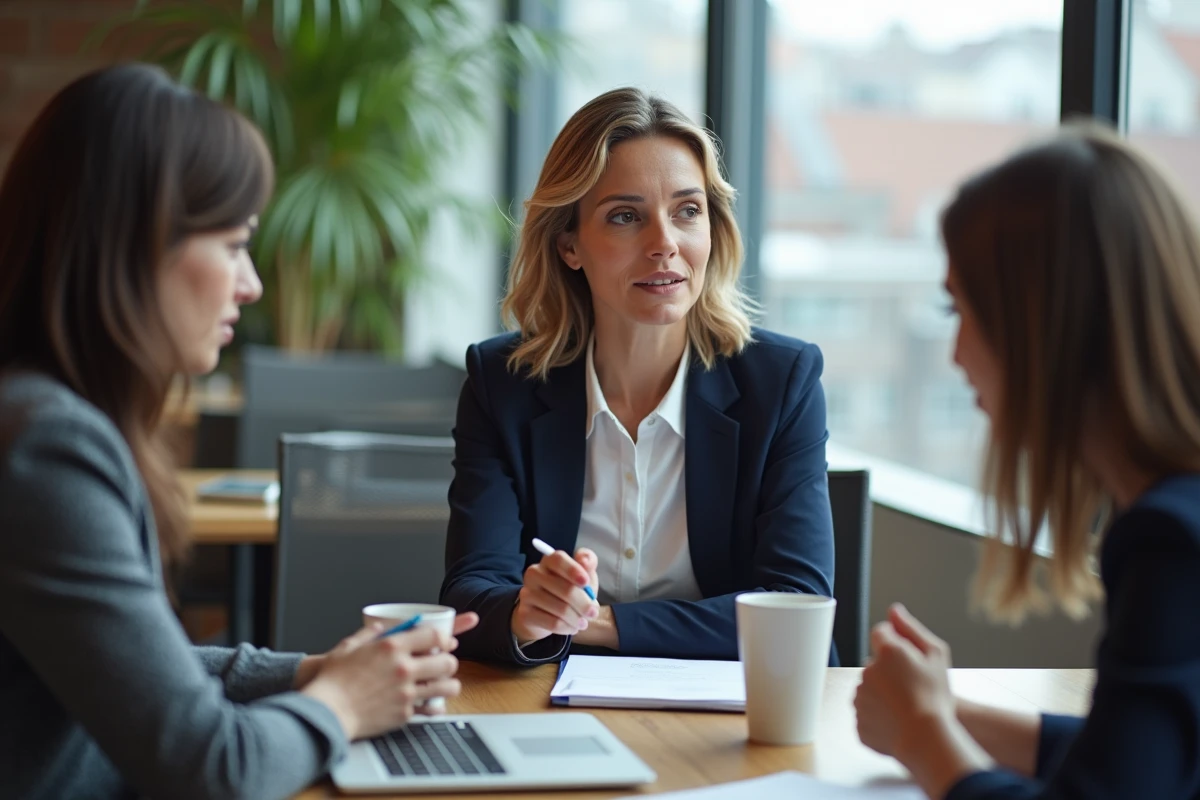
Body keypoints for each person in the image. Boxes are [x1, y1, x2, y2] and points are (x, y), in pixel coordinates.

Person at [0, 63, 477, 800]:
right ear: (132, 245)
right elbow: (213, 768)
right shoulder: (45, 447)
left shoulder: (39, 415)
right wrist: (345, 704)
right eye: (232, 245)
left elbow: (137, 667)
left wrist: (309, 673)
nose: (250, 284)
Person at [853, 123, 1200, 799]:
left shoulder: (1172, 542)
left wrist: (925, 733)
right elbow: (1143, 755)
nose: (954, 357)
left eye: (963, 310)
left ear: (1040, 329)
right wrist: (954, 716)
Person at [440, 87, 835, 666]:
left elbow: (797, 607)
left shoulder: (781, 383)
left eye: (687, 211)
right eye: (626, 217)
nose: (664, 245)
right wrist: (525, 614)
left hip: (738, 718)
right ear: (569, 244)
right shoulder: (504, 384)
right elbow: (471, 594)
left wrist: (595, 624)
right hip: (554, 710)